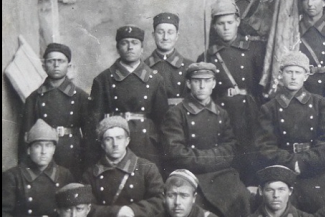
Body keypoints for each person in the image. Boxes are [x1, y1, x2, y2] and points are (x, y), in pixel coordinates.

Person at [161, 62, 252, 217]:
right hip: (190, 174)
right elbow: (176, 153)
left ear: (214, 83)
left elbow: (231, 147)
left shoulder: (221, 113)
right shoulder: (176, 113)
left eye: (207, 80)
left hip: (220, 174)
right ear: (189, 84)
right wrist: (213, 158)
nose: (202, 86)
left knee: (242, 196)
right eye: (197, 81)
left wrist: (206, 158)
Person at [255, 52, 325, 214]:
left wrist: (303, 162)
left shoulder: (320, 103)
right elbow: (265, 147)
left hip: (315, 170)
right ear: (281, 75)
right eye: (289, 72)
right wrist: (292, 163)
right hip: (282, 171)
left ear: (305, 76)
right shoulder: (269, 108)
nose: (293, 77)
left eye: (298, 72)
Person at [81, 116, 164, 217]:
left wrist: (133, 210)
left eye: (119, 138)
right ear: (102, 144)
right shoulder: (91, 174)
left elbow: (160, 201)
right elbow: (86, 208)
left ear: (127, 140)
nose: (115, 144)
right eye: (109, 139)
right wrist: (116, 212)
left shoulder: (146, 168)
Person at [88, 25, 167, 167]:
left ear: (142, 48)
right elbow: (95, 121)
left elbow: (162, 120)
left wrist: (155, 141)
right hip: (114, 142)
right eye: (125, 43)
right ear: (117, 47)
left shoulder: (155, 80)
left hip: (146, 143)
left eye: (135, 43)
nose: (130, 47)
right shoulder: (103, 79)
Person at [20, 43, 88, 175]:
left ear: (68, 66)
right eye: (51, 61)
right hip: (43, 155)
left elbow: (90, 137)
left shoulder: (81, 97)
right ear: (44, 66)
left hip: (73, 155)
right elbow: (25, 139)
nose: (56, 65)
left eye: (61, 61)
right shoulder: (34, 98)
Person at [198, 0, 266, 105]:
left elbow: (263, 89)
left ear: (237, 22)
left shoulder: (254, 50)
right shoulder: (207, 57)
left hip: (248, 109)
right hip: (219, 111)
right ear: (214, 26)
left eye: (230, 22)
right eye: (221, 23)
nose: (226, 28)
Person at [144, 12, 194, 107]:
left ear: (177, 36)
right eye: (160, 32)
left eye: (170, 32)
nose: (165, 37)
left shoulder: (190, 66)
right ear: (153, 35)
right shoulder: (144, 66)